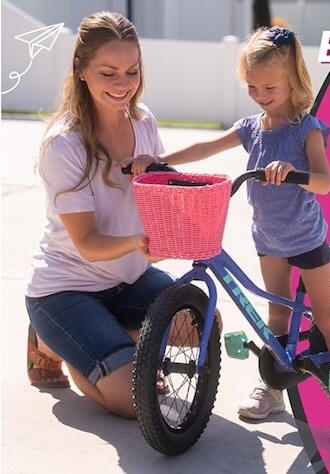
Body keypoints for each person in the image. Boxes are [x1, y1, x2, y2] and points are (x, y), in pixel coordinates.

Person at [126, 26, 330, 444]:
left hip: (305, 239)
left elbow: (325, 182)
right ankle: (275, 387)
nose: (260, 94)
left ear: (293, 80)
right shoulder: (251, 128)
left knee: (325, 318)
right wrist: (159, 160)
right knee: (277, 315)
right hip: (268, 239)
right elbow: (207, 147)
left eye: (269, 86)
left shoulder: (305, 130)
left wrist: (293, 174)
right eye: (252, 87)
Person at [25, 11, 174, 418]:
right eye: (108, 73)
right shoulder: (65, 145)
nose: (123, 84)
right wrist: (138, 243)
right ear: (81, 69)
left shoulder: (144, 124)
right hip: (66, 289)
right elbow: (88, 245)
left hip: (128, 280)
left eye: (132, 71)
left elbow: (154, 202)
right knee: (134, 402)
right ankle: (54, 343)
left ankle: (100, 338)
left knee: (199, 325)